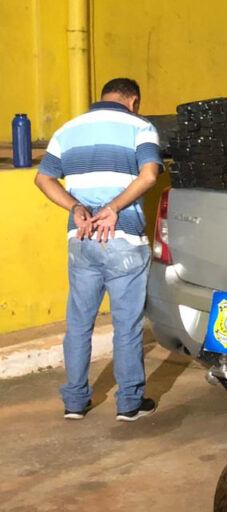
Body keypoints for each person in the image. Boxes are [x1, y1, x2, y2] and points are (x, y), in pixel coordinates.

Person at [35, 78, 162, 422]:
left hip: (82, 238)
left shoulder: (68, 129)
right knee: (127, 327)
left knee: (78, 324)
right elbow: (150, 175)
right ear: (132, 100)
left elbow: (43, 179)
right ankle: (129, 404)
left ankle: (75, 403)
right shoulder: (140, 127)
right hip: (123, 240)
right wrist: (114, 207)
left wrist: (76, 207)